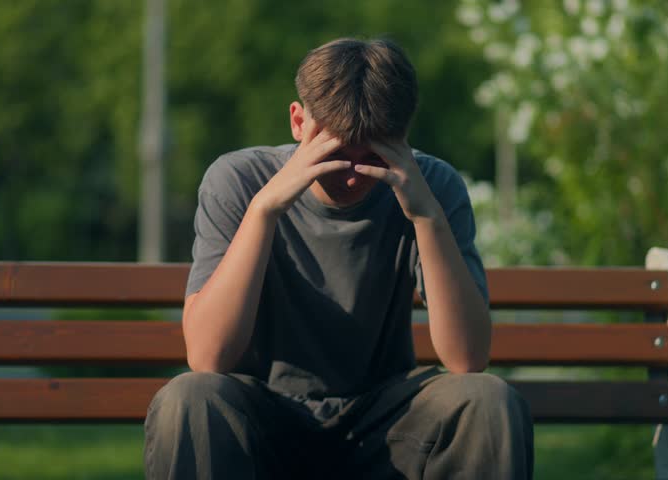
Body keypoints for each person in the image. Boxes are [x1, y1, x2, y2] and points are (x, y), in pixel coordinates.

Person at [144, 37, 533, 479]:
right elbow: (208, 356)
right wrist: (264, 211)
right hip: (265, 424)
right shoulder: (237, 180)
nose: (351, 177)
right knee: (190, 398)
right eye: (334, 155)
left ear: (402, 137)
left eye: (371, 158)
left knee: (487, 400)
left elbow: (467, 359)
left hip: (385, 430)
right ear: (298, 121)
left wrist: (427, 218)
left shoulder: (431, 188)